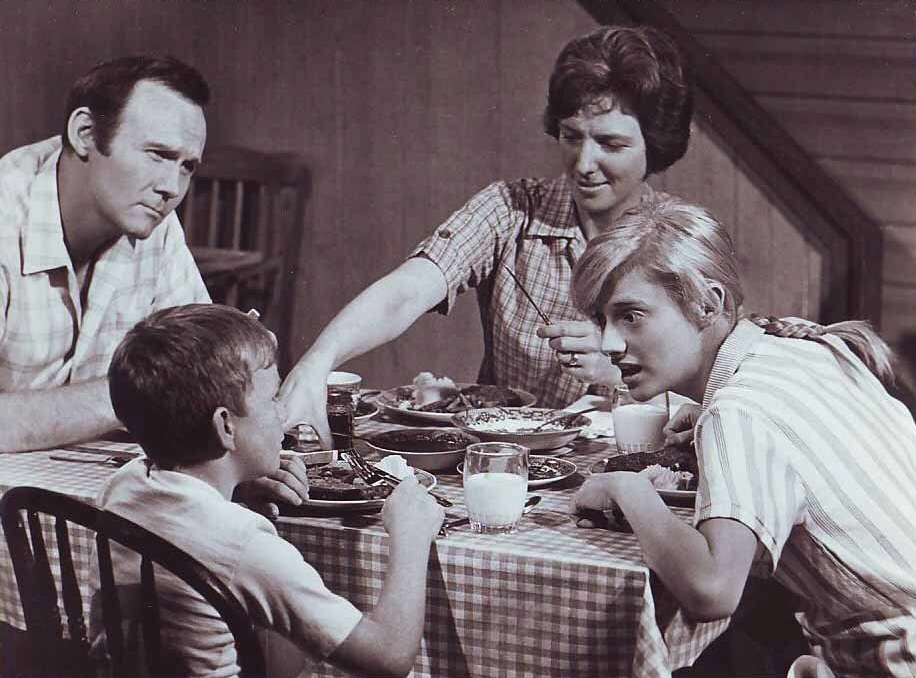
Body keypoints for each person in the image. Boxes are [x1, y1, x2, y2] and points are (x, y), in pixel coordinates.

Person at [280, 24, 694, 447]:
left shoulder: (681, 241)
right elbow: (406, 291)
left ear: (655, 145)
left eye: (611, 144)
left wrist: (617, 369)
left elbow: (708, 392)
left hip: (635, 463)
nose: (584, 163)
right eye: (571, 137)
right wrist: (317, 362)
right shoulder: (511, 209)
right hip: (503, 463)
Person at [569, 197, 916, 677]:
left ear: (708, 304)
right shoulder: (802, 349)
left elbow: (713, 590)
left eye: (631, 315)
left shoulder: (739, 411)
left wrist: (626, 489)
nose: (608, 343)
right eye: (600, 320)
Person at [93, 303, 445, 678]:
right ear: (225, 427)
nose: (283, 415)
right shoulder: (244, 543)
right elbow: (389, 658)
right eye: (273, 398)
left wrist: (235, 485)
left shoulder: (123, 484)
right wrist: (410, 536)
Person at [0, 55, 210, 452]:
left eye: (187, 167)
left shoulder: (153, 219)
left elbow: (202, 368)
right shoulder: (5, 216)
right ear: (85, 133)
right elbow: (181, 380)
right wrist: (139, 391)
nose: (172, 187)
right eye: (158, 154)